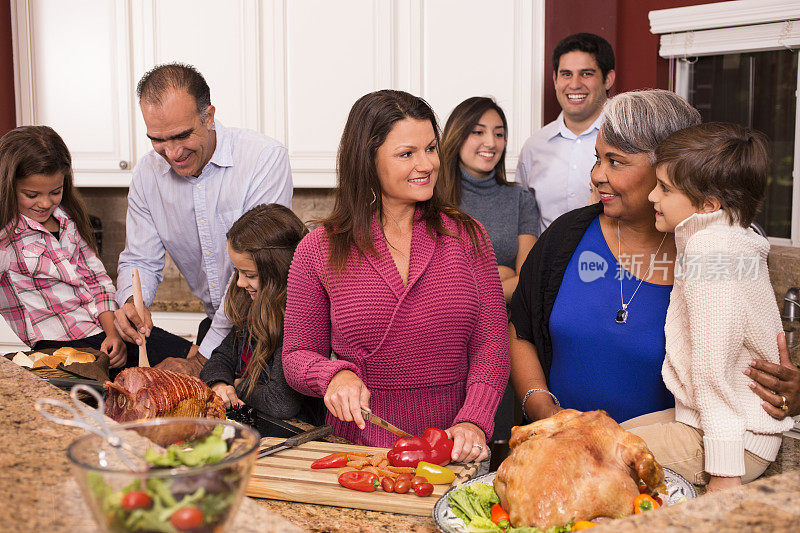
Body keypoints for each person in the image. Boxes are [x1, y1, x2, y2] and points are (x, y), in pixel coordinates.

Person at [509, 89, 800, 430]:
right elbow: (521, 331)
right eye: (597, 158)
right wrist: (544, 409)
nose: (597, 175)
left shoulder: (720, 253)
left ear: (667, 166)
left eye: (615, 161)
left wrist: (792, 392)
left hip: (673, 474)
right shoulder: (567, 236)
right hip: (562, 455)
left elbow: (752, 361)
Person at [282, 90, 509, 462]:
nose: (426, 164)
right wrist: (332, 376)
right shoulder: (319, 248)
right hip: (356, 449)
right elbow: (295, 356)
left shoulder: (468, 236)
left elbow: (492, 346)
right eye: (407, 154)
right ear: (367, 161)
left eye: (431, 149)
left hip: (453, 445)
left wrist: (474, 421)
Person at [622, 123, 795, 492]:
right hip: (730, 427)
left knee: (602, 456)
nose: (652, 196)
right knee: (610, 436)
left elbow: (712, 370)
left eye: (665, 188)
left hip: (737, 443)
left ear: (708, 205)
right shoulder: (730, 237)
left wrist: (724, 476)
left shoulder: (710, 250)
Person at [114, 63, 293, 376]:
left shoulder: (263, 159)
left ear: (208, 116)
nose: (172, 152)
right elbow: (140, 259)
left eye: (182, 135)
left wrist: (201, 360)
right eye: (158, 139)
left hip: (269, 332)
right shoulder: (146, 175)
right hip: (215, 326)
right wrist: (131, 302)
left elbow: (258, 266)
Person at [0, 126, 127, 366]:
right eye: (32, 194)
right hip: (58, 347)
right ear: (8, 186)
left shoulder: (68, 220)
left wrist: (113, 334)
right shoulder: (6, 240)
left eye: (55, 192)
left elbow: (97, 279)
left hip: (102, 331)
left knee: (189, 356)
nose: (45, 202)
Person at [200, 204, 321, 423]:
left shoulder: (297, 322)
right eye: (237, 272)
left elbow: (280, 402)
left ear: (279, 271)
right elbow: (221, 357)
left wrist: (238, 385)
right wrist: (220, 384)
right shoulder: (254, 308)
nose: (239, 282)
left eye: (249, 274)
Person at [440, 96, 539, 303]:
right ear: (457, 135)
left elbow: (528, 281)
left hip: (502, 323)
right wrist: (502, 274)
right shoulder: (434, 197)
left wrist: (469, 294)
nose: (491, 143)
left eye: (499, 134)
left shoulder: (520, 199)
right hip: (443, 324)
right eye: (478, 132)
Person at [516, 33, 615, 232]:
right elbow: (524, 222)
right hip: (550, 262)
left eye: (586, 73)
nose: (575, 84)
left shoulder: (628, 139)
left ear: (608, 79)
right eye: (566, 74)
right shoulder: (534, 147)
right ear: (555, 79)